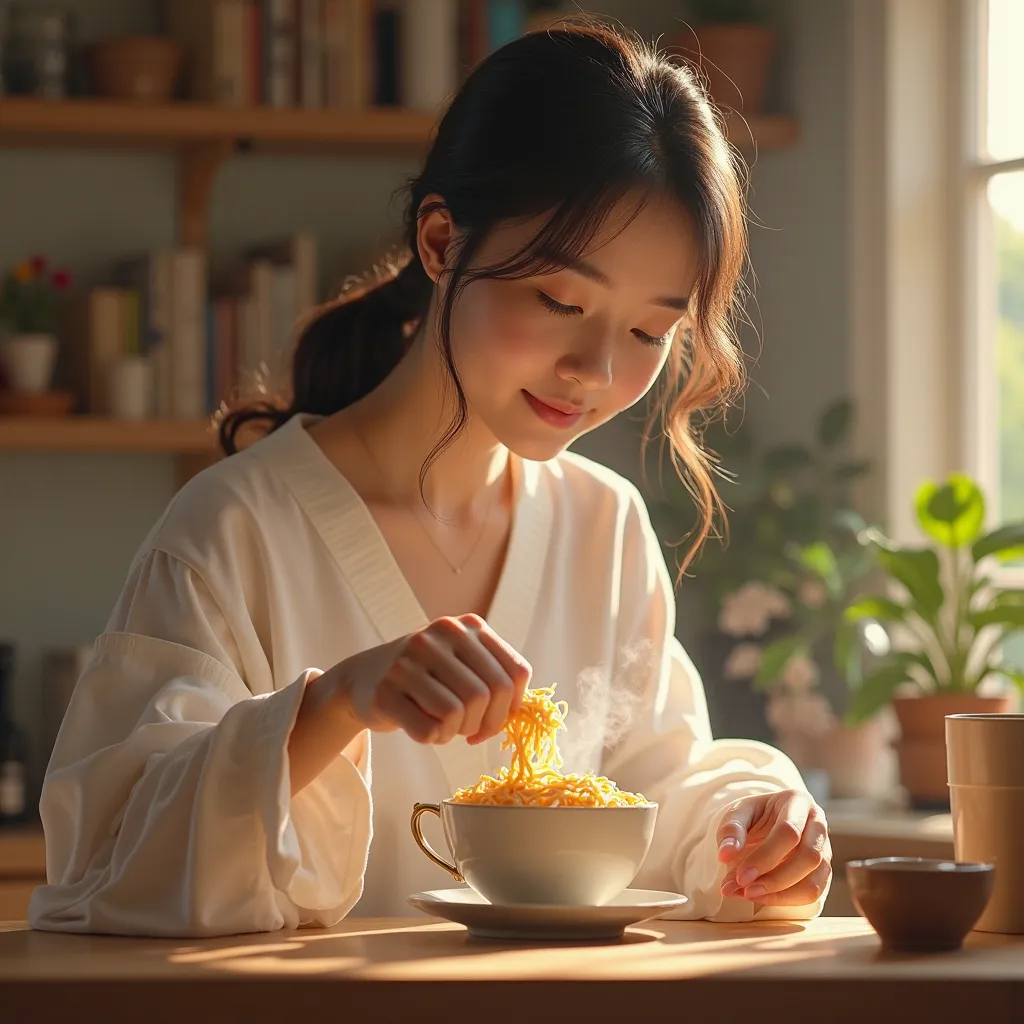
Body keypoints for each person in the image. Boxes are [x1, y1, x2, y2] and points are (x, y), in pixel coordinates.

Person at [30, 22, 831, 938]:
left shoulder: (600, 525)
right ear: (443, 242)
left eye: (650, 332)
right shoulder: (235, 529)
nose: (596, 370)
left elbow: (656, 780)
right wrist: (332, 706)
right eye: (560, 303)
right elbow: (107, 868)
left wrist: (753, 828)